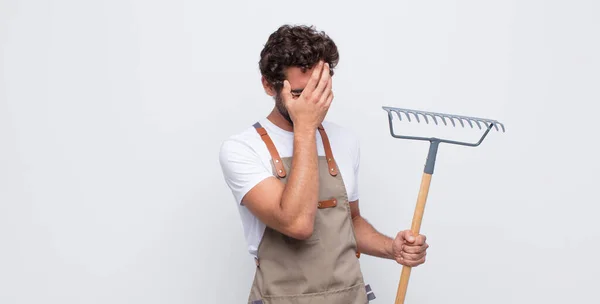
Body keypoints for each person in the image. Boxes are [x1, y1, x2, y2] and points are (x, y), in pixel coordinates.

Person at [218, 24, 429, 304]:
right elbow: (297, 224)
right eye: (299, 94)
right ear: (268, 85)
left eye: (320, 91)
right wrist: (306, 130)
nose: (313, 103)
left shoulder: (345, 140)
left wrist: (392, 248)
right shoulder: (242, 149)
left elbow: (349, 221)